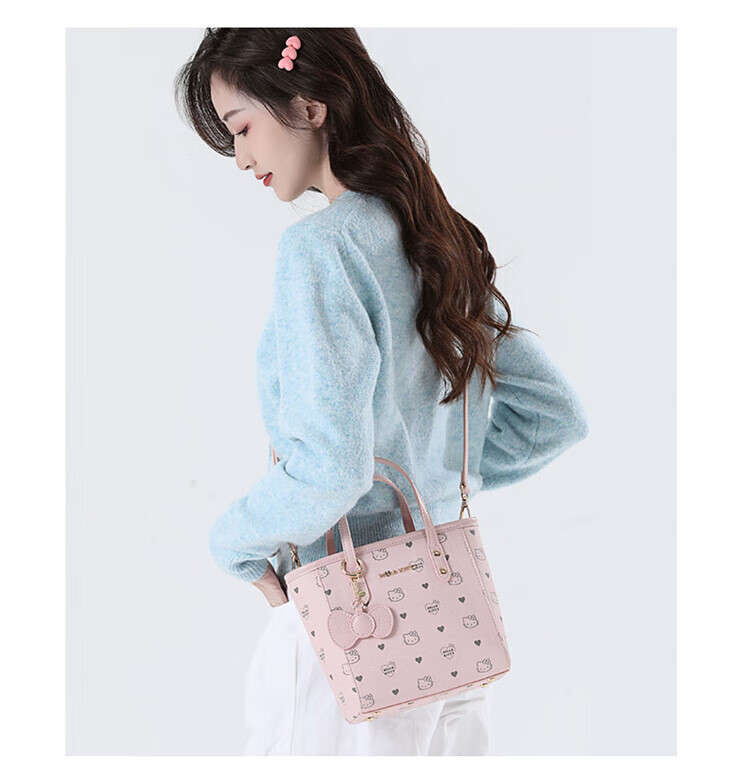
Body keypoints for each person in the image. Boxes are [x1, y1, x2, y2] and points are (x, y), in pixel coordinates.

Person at [174, 28, 590, 756]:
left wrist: (233, 542)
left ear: (310, 108)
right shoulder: (435, 241)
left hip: (350, 623)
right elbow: (554, 417)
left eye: (241, 129)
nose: (240, 158)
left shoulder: (322, 248)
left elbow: (331, 470)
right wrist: (433, 477)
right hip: (448, 622)